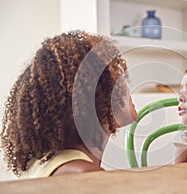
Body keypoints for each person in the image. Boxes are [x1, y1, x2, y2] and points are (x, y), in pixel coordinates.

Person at [0, 30, 138, 178]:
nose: (126, 85)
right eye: (115, 77)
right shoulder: (84, 174)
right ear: (96, 95)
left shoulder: (45, 163)